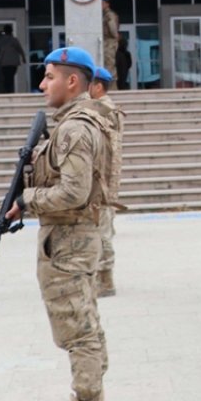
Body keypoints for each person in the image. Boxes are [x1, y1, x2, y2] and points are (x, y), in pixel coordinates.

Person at [1, 46, 113, 401]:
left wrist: (29, 201)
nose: (41, 84)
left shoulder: (74, 127)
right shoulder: (78, 121)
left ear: (72, 81)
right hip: (75, 239)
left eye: (49, 76)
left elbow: (74, 190)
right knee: (87, 326)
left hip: (68, 242)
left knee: (79, 332)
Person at [87, 66, 124, 299]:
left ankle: (105, 279)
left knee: (101, 232)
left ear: (98, 86)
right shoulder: (102, 110)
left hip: (101, 183)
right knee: (101, 229)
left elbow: (105, 151)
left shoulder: (103, 111)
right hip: (101, 182)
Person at [0, 24, 27, 94]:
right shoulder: (14, 40)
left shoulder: (1, 40)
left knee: (6, 78)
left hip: (4, 63)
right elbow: (20, 49)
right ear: (11, 31)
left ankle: (7, 91)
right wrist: (24, 58)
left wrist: (0, 53)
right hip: (13, 63)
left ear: (5, 31)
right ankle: (10, 90)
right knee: (10, 77)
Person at [101, 0, 119, 75]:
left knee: (109, 63)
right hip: (107, 41)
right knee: (107, 62)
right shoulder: (105, 14)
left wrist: (115, 35)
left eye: (102, 3)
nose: (101, 5)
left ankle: (110, 82)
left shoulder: (109, 15)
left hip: (109, 41)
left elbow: (112, 27)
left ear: (107, 4)